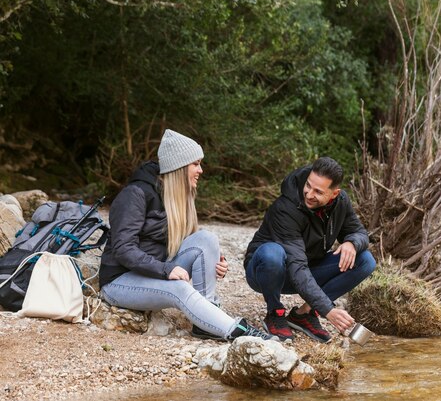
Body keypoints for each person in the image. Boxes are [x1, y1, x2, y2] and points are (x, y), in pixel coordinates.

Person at [100, 129, 272, 341]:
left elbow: (185, 243)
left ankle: (206, 321)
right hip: (119, 281)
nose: (200, 170)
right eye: (196, 164)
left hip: (153, 270)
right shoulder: (135, 194)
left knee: (207, 239)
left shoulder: (175, 195)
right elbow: (123, 249)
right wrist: (166, 269)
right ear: (179, 167)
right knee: (178, 288)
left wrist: (214, 262)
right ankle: (236, 330)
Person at [244, 157, 376, 342]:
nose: (308, 193)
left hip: (307, 268)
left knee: (365, 260)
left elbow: (359, 232)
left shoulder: (341, 202)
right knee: (272, 253)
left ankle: (304, 314)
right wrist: (328, 309)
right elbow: (296, 264)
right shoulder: (286, 208)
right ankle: (274, 312)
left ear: (334, 194)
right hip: (266, 272)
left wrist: (351, 242)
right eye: (308, 185)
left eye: (318, 191)